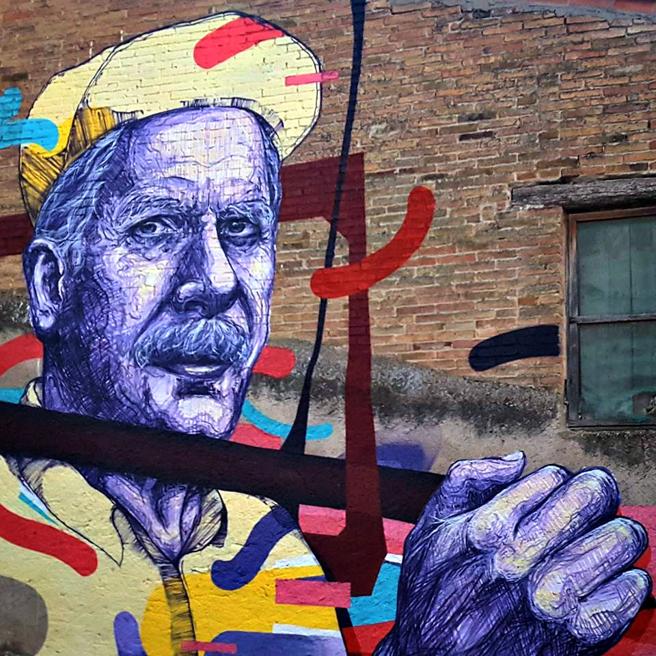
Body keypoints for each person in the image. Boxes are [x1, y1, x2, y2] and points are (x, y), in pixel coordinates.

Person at [1, 11, 650, 656]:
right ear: (53, 286)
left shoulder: (270, 543)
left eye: (242, 229)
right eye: (156, 227)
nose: (217, 281)